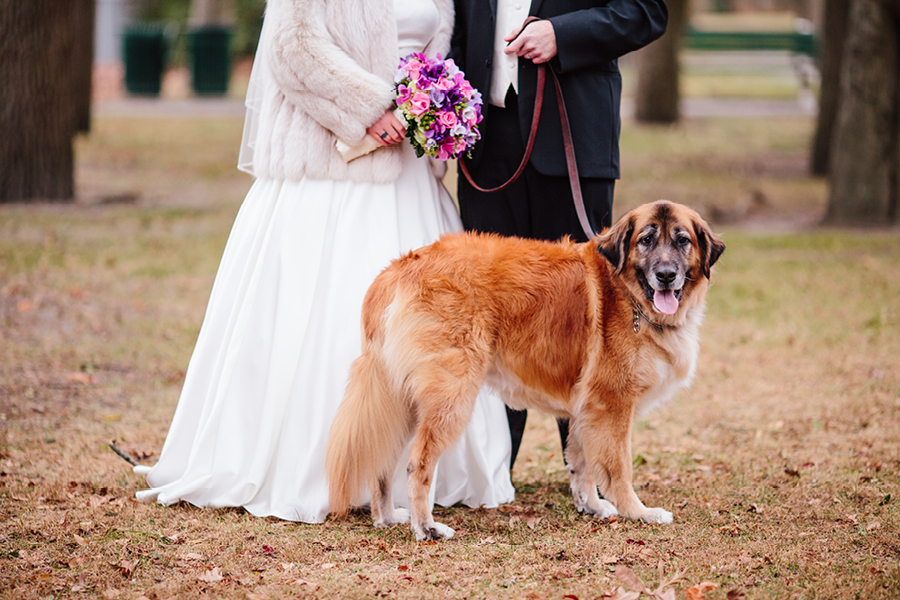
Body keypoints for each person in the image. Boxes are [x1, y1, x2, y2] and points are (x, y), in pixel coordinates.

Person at [133, 0, 514, 524]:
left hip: (407, 172)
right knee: (322, 317)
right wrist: (372, 109)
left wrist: (426, 110)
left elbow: (434, 51)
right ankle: (313, 465)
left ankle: (421, 468)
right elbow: (291, 49)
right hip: (328, 166)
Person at [450, 0, 669, 468]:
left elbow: (646, 12)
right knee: (493, 309)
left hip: (573, 139)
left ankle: (588, 470)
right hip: (486, 146)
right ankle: (492, 470)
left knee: (583, 311)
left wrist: (562, 35)